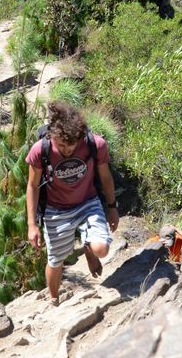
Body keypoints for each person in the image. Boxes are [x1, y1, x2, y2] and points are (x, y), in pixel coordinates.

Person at [26, 101, 119, 303]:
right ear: (52, 136)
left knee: (101, 248)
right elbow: (32, 186)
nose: (67, 150)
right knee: (56, 260)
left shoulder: (95, 144)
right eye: (61, 145)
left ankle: (90, 249)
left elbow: (106, 178)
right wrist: (32, 224)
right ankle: (54, 300)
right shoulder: (40, 150)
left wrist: (112, 208)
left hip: (88, 202)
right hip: (56, 210)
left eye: (72, 145)